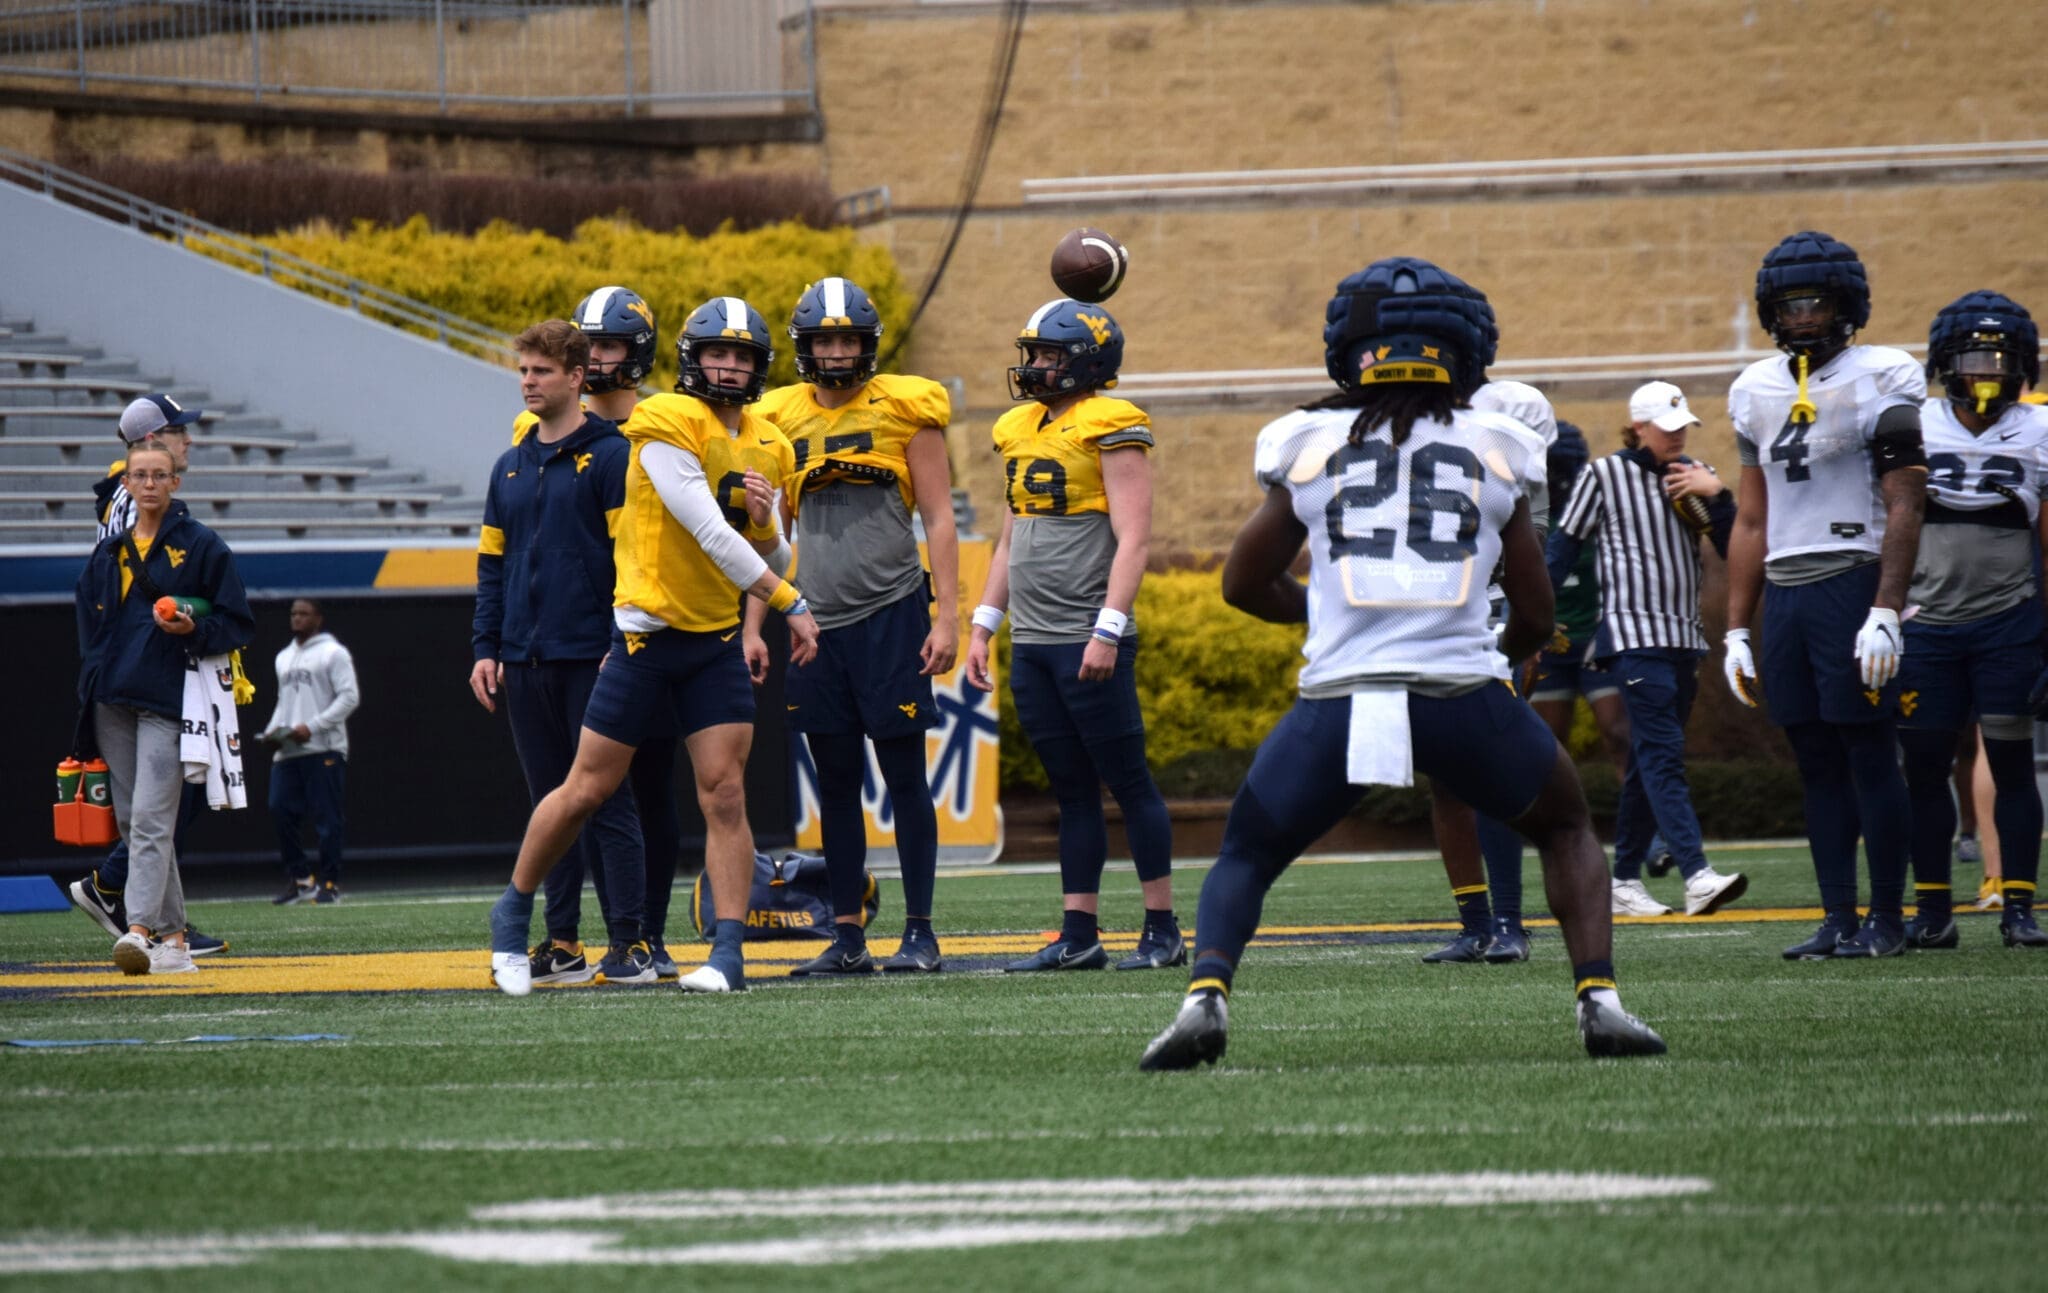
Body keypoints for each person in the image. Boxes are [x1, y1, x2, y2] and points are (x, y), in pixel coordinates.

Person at [1140, 257, 1663, 1069]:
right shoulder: (1499, 443)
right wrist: (1496, 661)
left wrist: (1324, 614)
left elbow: (1242, 583)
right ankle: (1600, 999)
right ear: (1468, 353)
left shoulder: (1308, 440)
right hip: (1461, 691)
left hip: (1341, 703)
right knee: (1564, 827)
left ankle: (1206, 994)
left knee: (1245, 851)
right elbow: (1534, 612)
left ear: (1348, 350)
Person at [487, 297, 818, 998]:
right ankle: (512, 915)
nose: (728, 366)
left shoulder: (773, 443)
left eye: (742, 355)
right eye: (716, 353)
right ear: (691, 359)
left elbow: (773, 552)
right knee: (584, 789)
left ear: (760, 365)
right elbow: (705, 529)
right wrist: (790, 604)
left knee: (724, 794)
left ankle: (726, 956)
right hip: (644, 636)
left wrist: (766, 526)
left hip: (714, 639)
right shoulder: (665, 420)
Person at [1724, 231, 1927, 959]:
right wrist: (1736, 626)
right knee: (1814, 759)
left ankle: (1889, 918)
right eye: (1790, 304)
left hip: (1852, 577)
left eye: (1817, 302)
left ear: (1848, 305)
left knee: (1869, 752)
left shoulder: (1885, 374)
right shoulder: (1753, 389)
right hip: (1786, 588)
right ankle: (1838, 915)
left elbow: (1907, 502)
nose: (1804, 316)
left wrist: (1884, 607)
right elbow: (1751, 517)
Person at [963, 298, 1182, 973]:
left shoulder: (1113, 424)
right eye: (1032, 353)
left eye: (1047, 355)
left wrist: (1108, 628)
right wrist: (983, 625)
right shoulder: (1018, 426)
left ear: (1085, 361)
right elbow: (1009, 537)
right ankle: (1078, 932)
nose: (1033, 365)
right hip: (1032, 640)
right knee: (1071, 789)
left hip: (1088, 633)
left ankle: (1163, 928)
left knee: (1129, 781)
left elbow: (1135, 537)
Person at [753, 277, 959, 974]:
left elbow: (938, 516)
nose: (836, 352)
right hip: (814, 622)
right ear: (804, 346)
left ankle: (921, 933)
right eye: (824, 339)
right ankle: (847, 937)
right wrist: (760, 620)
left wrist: (949, 616)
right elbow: (767, 535)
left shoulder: (906, 408)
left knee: (903, 775)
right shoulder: (778, 416)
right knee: (836, 782)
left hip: (892, 613)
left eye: (847, 339)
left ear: (866, 344)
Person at [472, 317, 650, 985]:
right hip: (523, 659)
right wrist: (485, 646)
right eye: (523, 369)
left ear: (577, 378)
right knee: (549, 798)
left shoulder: (609, 456)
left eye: (541, 370)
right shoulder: (510, 464)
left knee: (607, 799)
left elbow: (629, 560)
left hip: (594, 657)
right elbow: (492, 566)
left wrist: (616, 641)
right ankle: (564, 942)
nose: (528, 380)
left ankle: (629, 944)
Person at [1548, 381, 1748, 918]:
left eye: (1683, 424)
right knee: (1661, 754)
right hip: (1634, 638)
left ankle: (1622, 880)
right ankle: (1696, 873)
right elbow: (1562, 549)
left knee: (1644, 761)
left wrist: (1719, 496)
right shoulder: (1602, 475)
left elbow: (1735, 551)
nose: (1678, 434)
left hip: (1684, 638)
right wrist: (1536, 621)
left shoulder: (1692, 475)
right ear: (1638, 427)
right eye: (1666, 426)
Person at [1894, 291, 2048, 948]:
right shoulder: (1911, 423)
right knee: (1924, 765)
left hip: (2008, 618)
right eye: (1974, 356)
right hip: (1927, 620)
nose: (1987, 369)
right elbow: (1888, 523)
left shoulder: (2040, 428)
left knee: (2012, 762)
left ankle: (2019, 905)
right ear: (1945, 362)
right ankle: (1933, 908)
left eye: (2000, 356)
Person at [74, 442, 254, 975]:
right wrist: (92, 680)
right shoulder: (108, 553)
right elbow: (89, 621)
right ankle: (175, 943)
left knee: (152, 819)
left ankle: (137, 930)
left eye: (160, 475)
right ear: (126, 484)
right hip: (112, 700)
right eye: (139, 476)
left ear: (176, 482)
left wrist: (194, 627)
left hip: (168, 701)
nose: (149, 484)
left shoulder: (202, 546)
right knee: (135, 821)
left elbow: (237, 621)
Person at [260, 599, 360, 905]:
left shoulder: (334, 652)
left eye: (304, 613)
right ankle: (301, 879)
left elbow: (349, 697)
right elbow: (284, 702)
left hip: (323, 747)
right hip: (289, 750)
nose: (297, 619)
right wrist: (273, 730)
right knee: (280, 810)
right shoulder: (283, 657)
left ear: (318, 617)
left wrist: (313, 726)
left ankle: (330, 882)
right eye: (293, 614)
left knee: (326, 818)